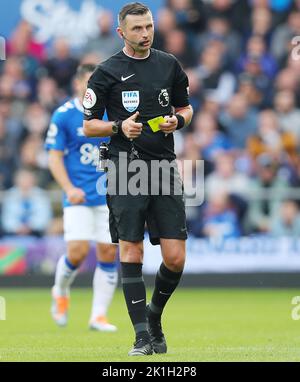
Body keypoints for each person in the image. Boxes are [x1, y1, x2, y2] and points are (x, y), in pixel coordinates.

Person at [83, 2, 193, 356]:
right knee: (131, 248)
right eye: (137, 29)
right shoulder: (106, 72)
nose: (145, 33)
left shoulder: (168, 64)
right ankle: (142, 337)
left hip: (163, 166)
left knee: (175, 257)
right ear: (122, 33)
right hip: (124, 168)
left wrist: (180, 121)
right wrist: (118, 126)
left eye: (148, 26)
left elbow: (185, 107)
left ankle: (154, 317)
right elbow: (88, 125)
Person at [45, 64, 118, 332]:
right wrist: (68, 188)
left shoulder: (112, 113)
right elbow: (54, 157)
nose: (93, 89)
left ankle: (98, 315)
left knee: (108, 252)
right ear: (77, 84)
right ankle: (60, 290)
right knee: (76, 253)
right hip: (78, 196)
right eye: (89, 83)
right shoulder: (64, 115)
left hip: (108, 194)